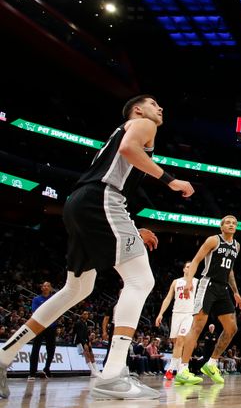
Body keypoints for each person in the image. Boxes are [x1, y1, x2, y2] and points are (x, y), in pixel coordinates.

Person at [0, 94, 194, 400]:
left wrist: (131, 225)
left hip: (84, 203)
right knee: (141, 280)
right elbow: (128, 151)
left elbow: (115, 174)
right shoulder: (143, 124)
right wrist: (170, 180)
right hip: (102, 201)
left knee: (77, 289)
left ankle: (3, 357)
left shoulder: (125, 130)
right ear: (138, 109)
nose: (160, 108)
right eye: (154, 103)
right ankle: (113, 374)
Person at [175, 215, 241, 386]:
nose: (231, 225)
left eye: (234, 223)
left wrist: (236, 292)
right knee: (197, 326)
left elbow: (230, 271)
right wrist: (189, 280)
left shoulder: (236, 245)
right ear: (221, 226)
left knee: (231, 328)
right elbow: (197, 260)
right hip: (208, 284)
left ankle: (211, 364)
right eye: (228, 222)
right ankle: (182, 370)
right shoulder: (213, 240)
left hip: (223, 288)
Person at [155, 261, 198, 380]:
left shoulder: (196, 282)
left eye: (192, 267)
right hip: (176, 314)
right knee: (176, 343)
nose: (190, 269)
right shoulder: (176, 282)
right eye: (188, 267)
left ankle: (170, 370)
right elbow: (168, 298)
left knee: (180, 340)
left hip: (189, 314)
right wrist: (160, 314)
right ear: (184, 269)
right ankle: (180, 372)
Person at [28, 282, 56, 380]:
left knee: (51, 350)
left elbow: (57, 311)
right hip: (39, 326)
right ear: (41, 288)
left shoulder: (54, 299)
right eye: (44, 285)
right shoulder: (36, 299)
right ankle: (32, 373)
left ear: (51, 288)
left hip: (51, 326)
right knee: (35, 349)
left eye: (48, 285)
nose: (46, 287)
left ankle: (46, 369)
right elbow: (35, 312)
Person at [74, 311, 99, 377]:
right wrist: (84, 343)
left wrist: (89, 342)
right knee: (87, 355)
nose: (86, 315)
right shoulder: (78, 323)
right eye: (84, 314)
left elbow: (86, 334)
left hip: (86, 341)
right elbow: (79, 335)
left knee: (92, 355)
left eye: (87, 314)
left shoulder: (85, 323)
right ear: (81, 315)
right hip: (80, 341)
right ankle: (93, 371)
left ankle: (96, 370)